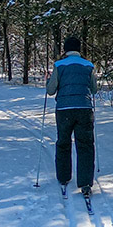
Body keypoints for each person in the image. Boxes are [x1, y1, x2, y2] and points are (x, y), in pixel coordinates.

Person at [45, 35, 96, 197]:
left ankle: (64, 177)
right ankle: (86, 183)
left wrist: (48, 81)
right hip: (84, 109)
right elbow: (94, 89)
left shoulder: (59, 65)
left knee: (63, 143)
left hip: (64, 109)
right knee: (86, 145)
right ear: (79, 49)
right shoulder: (88, 65)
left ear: (65, 50)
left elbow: (51, 90)